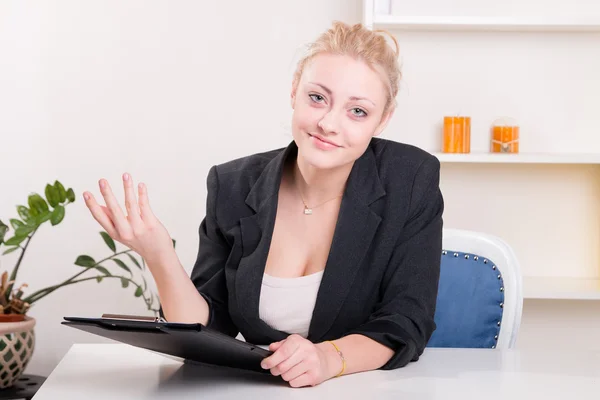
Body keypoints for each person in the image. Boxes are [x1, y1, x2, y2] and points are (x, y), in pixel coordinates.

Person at [83, 21, 444, 388]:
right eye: (317, 98)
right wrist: (159, 255)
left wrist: (327, 358)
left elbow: (406, 320)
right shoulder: (232, 185)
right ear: (293, 92)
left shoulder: (410, 179)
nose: (328, 123)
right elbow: (206, 328)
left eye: (358, 112)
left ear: (383, 119)